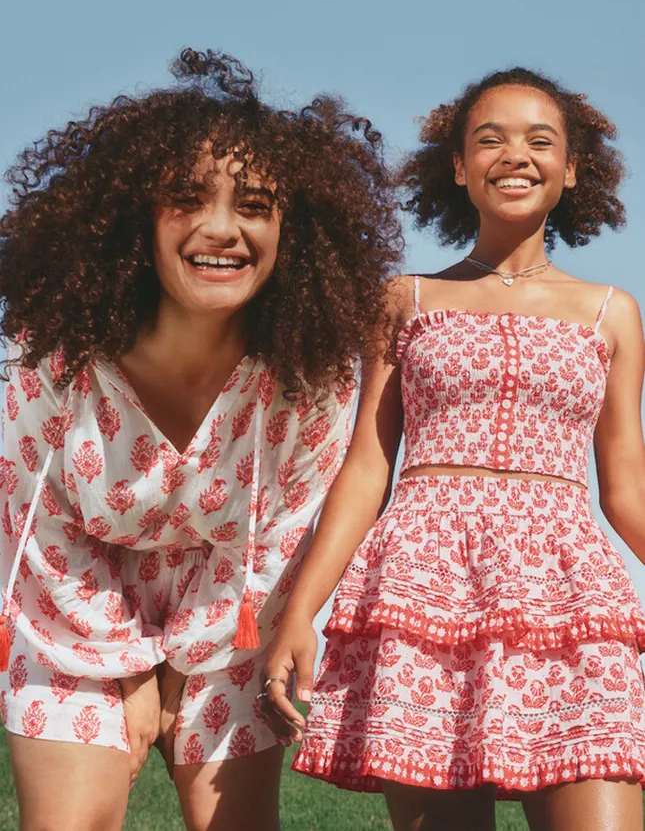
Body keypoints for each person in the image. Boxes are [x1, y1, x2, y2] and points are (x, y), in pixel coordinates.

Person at [0, 48, 402, 831]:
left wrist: (187, 666)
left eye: (254, 204)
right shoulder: (55, 352)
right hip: (67, 607)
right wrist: (131, 673)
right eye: (186, 198)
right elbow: (34, 523)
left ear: (292, 230)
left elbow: (278, 539)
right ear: (136, 220)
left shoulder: (308, 376)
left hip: (231, 609)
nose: (221, 228)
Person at [264, 67, 645, 831]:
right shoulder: (402, 299)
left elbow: (625, 489)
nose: (515, 154)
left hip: (567, 598)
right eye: (489, 138)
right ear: (457, 167)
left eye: (540, 141)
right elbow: (366, 468)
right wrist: (299, 612)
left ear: (571, 170)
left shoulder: (612, 313)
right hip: (421, 591)